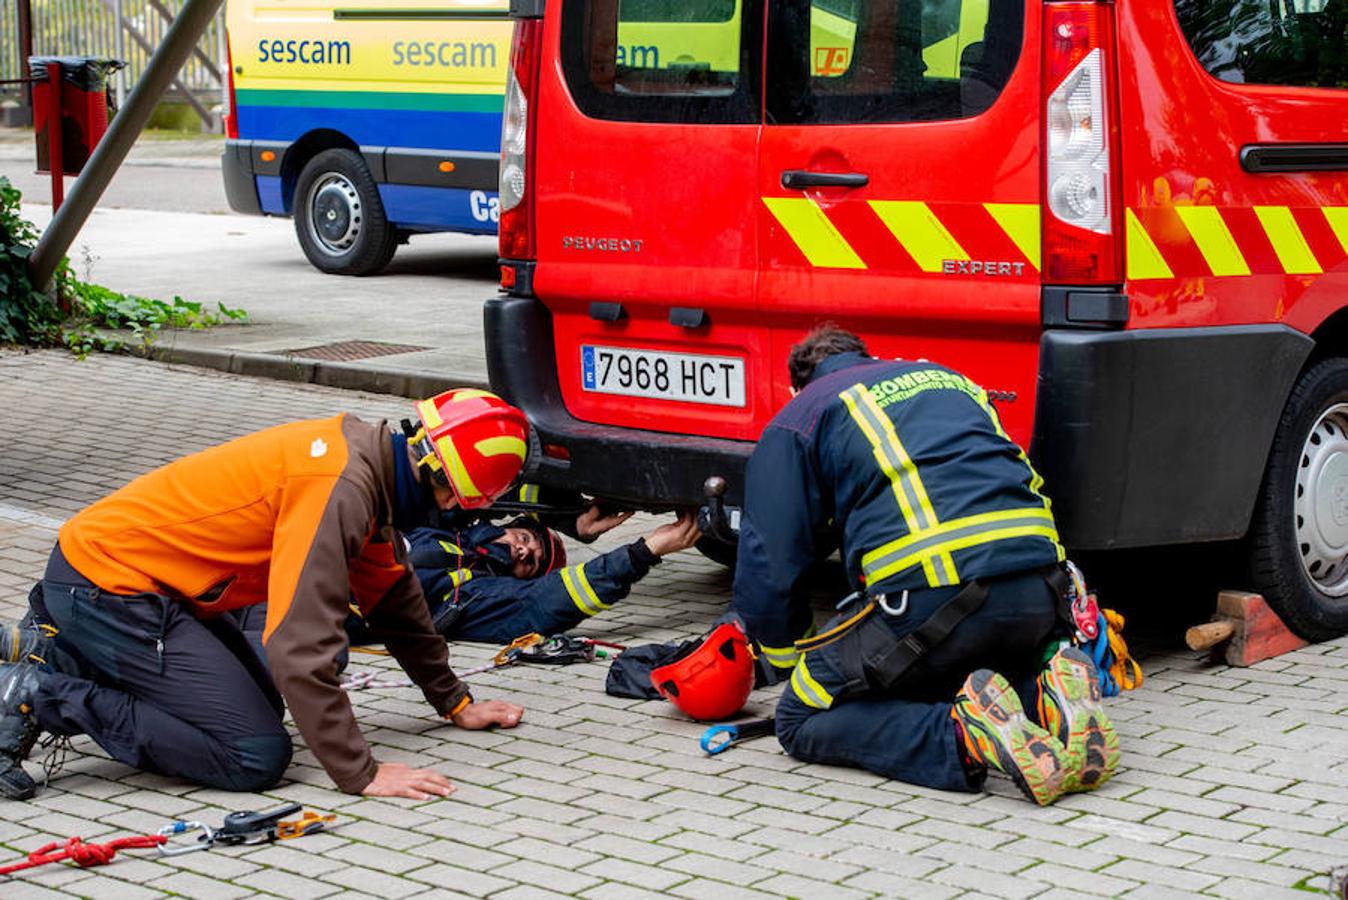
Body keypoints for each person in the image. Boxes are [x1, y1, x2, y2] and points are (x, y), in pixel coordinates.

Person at [0, 388, 531, 802]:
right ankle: (38, 694)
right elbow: (297, 647)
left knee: (265, 703)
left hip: (137, 583)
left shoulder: (370, 470)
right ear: (440, 483)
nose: (448, 513)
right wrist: (360, 772)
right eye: (453, 501)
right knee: (251, 752)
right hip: (108, 585)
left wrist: (454, 702)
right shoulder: (342, 490)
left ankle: (60, 650)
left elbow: (394, 601)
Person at [730, 325, 1120, 805]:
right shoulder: (948, 379)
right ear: (867, 357)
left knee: (800, 718)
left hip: (936, 597)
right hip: (1041, 589)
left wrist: (779, 656)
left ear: (796, 386)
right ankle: (1045, 692)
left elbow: (771, 556)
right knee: (960, 671)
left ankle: (962, 736)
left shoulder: (804, 413)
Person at [403, 510, 702, 643]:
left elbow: (548, 599)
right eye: (523, 537)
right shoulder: (446, 523)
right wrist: (570, 518)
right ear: (508, 525)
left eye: (532, 561)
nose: (523, 549)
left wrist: (643, 552)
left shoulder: (481, 596)